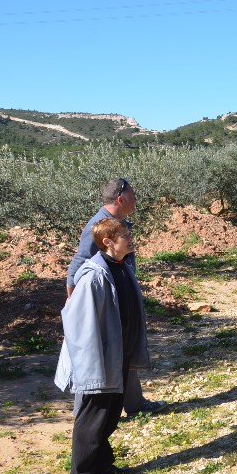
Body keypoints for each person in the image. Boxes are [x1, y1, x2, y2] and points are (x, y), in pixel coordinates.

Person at [55, 218, 151, 474]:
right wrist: (92, 362)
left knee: (109, 413)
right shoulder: (94, 275)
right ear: (108, 242)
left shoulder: (121, 267)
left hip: (119, 354)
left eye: (129, 234)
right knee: (93, 415)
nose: (130, 239)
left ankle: (102, 463)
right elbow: (79, 323)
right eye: (124, 236)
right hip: (100, 358)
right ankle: (82, 473)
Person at [66, 178, 165, 418]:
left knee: (125, 348)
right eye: (133, 195)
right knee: (101, 356)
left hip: (118, 298)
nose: (136, 199)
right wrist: (75, 306)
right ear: (120, 199)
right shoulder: (99, 226)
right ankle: (89, 415)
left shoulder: (117, 224)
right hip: (106, 303)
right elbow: (78, 265)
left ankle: (134, 404)